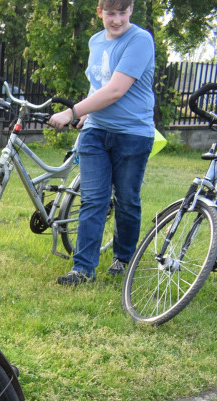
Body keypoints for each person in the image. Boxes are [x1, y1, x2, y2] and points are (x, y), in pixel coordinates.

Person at [47, 0, 155, 285]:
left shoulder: (140, 40)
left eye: (122, 12)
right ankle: (83, 269)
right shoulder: (96, 41)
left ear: (131, 11)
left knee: (127, 200)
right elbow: (98, 84)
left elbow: (116, 90)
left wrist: (72, 112)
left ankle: (123, 258)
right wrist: (86, 114)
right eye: (110, 13)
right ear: (100, 12)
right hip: (95, 132)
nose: (116, 20)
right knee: (93, 199)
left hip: (133, 134)